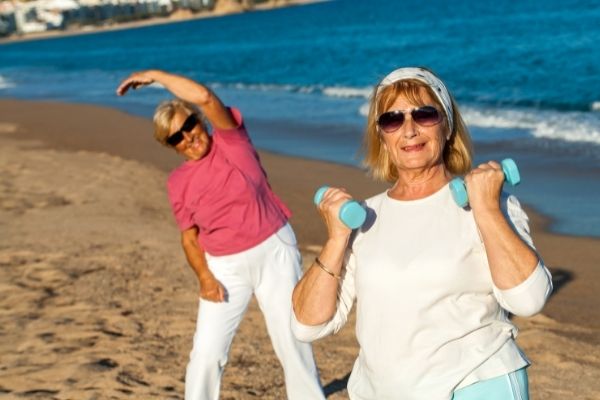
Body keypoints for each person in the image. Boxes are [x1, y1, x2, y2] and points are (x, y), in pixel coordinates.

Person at [291, 67, 553, 400]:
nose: (410, 129)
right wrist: (337, 239)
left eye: (425, 114)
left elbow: (528, 300)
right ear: (382, 138)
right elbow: (306, 325)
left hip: (475, 383)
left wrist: (486, 210)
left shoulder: (487, 202)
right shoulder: (365, 218)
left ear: (447, 127)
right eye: (392, 120)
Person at [116, 70, 324, 400]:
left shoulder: (232, 141)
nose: (188, 137)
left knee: (292, 341)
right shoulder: (177, 183)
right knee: (207, 353)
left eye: (189, 126)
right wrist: (204, 277)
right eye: (176, 138)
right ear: (170, 146)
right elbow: (189, 237)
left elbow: (206, 97)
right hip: (224, 269)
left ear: (200, 121)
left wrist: (155, 76)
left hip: (275, 250)